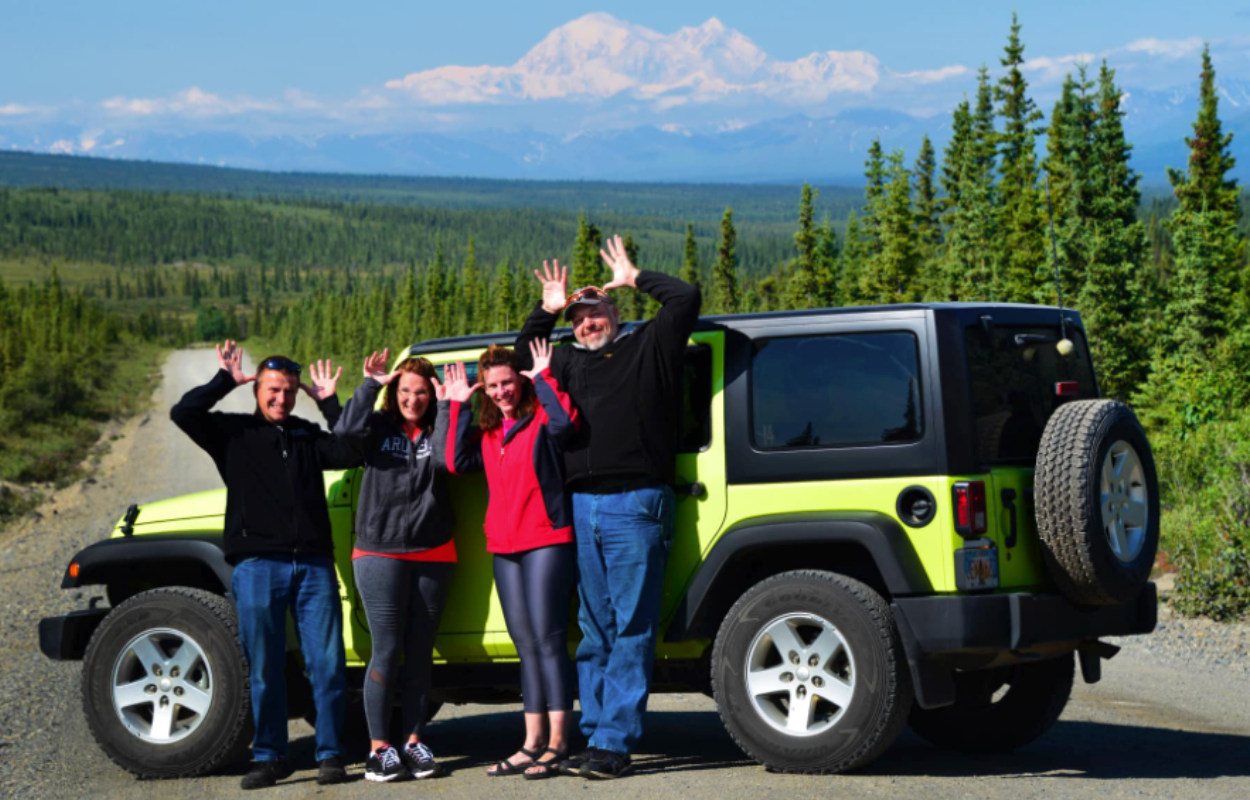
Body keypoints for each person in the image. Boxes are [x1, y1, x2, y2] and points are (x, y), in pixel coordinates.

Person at [516, 235, 701, 779]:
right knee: (594, 628)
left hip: (635, 503)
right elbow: (526, 353)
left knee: (631, 627)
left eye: (594, 312)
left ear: (615, 313)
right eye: (578, 318)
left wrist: (634, 275)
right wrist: (545, 310)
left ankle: (615, 743)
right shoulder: (570, 363)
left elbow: (686, 299)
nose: (586, 323)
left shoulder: (651, 346)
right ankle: (595, 734)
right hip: (583, 505)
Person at [170, 341, 356, 791]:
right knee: (266, 668)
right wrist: (224, 381)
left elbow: (352, 451)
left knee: (328, 667)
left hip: (312, 566)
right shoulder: (232, 434)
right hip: (256, 567)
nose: (282, 399)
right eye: (274, 390)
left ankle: (330, 754)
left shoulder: (309, 436)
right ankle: (271, 757)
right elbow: (183, 413)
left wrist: (329, 402)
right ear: (258, 391)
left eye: (290, 392)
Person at [442, 341, 580, 779]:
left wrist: (542, 376)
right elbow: (453, 462)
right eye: (492, 386)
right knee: (524, 645)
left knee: (547, 639)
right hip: (505, 546)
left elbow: (567, 427)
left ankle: (558, 742)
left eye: (507, 383)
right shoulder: (487, 432)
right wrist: (457, 406)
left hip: (546, 540)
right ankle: (531, 741)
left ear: (519, 381)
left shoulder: (540, 418)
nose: (502, 392)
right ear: (483, 388)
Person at [333, 349, 455, 783]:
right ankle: (378, 749)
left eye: (421, 392)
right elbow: (343, 430)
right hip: (379, 550)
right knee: (386, 649)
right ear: (395, 393)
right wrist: (371, 384)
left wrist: (448, 406)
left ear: (431, 394)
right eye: (405, 390)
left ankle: (415, 741)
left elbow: (445, 461)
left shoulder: (439, 427)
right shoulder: (377, 426)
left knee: (421, 654)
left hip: (434, 550)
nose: (413, 399)